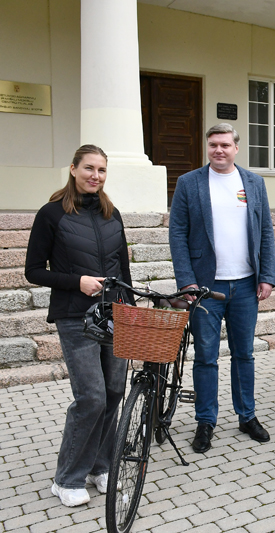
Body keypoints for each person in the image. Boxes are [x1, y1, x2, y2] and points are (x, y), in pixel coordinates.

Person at [25, 145, 132, 506]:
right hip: (75, 315)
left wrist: (129, 310)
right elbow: (33, 270)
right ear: (73, 169)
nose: (95, 176)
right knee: (91, 397)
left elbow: (123, 267)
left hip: (113, 314)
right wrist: (77, 281)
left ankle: (100, 466)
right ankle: (66, 477)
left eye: (101, 170)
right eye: (89, 168)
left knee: (115, 391)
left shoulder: (111, 213)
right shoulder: (51, 214)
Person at [169, 123, 275, 453]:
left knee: (244, 354)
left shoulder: (254, 183)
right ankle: (206, 421)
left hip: (245, 285)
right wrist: (186, 281)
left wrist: (267, 276)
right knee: (206, 357)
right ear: (208, 146)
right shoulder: (189, 183)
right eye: (213, 144)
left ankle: (247, 416)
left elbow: (267, 231)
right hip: (204, 287)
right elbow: (177, 235)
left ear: (236, 148)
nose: (219, 150)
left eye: (225, 145)